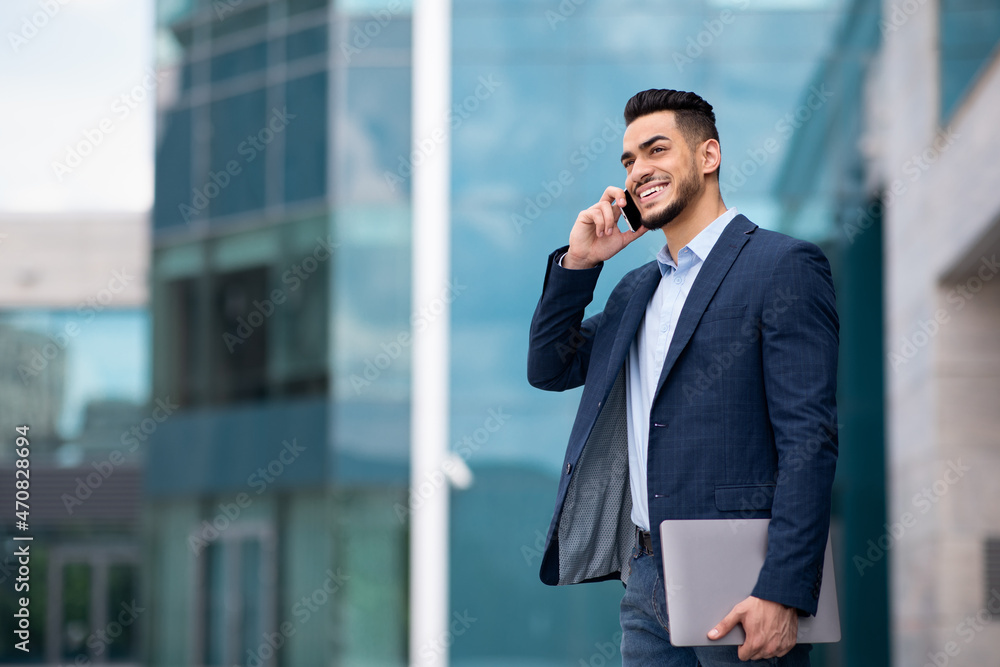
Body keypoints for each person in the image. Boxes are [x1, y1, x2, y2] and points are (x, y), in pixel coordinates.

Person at [527, 89, 839, 666]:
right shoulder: (634, 290)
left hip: (744, 577)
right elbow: (550, 367)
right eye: (628, 161)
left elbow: (808, 442)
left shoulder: (782, 265)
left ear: (708, 156)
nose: (639, 170)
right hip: (644, 578)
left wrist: (783, 589)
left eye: (656, 149)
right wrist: (580, 265)